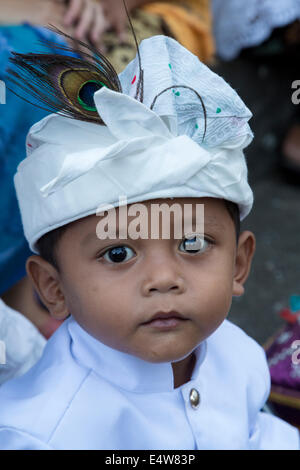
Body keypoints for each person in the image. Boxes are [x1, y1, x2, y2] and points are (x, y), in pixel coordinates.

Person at [0, 32, 299, 449]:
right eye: (118, 253)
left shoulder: (237, 354)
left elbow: (257, 435)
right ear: (54, 287)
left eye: (192, 244)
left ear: (238, 263)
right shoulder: (45, 434)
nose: (163, 278)